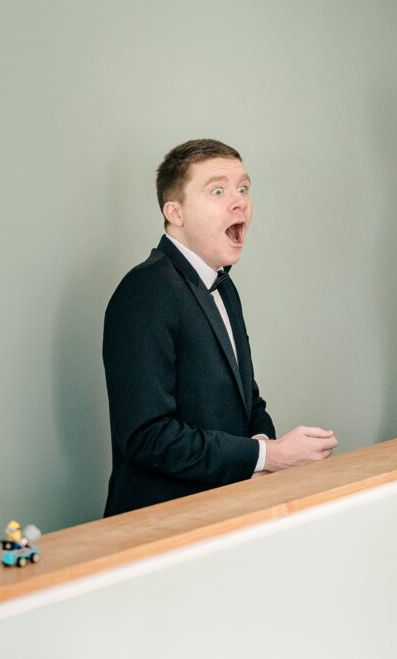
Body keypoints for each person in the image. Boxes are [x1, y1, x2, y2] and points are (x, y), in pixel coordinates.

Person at [102, 139, 337, 516]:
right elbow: (148, 437)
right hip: (159, 527)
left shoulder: (224, 286)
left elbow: (247, 401)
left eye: (243, 188)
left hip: (224, 514)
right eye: (217, 190)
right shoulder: (145, 291)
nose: (239, 201)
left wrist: (261, 456)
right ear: (174, 212)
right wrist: (267, 455)